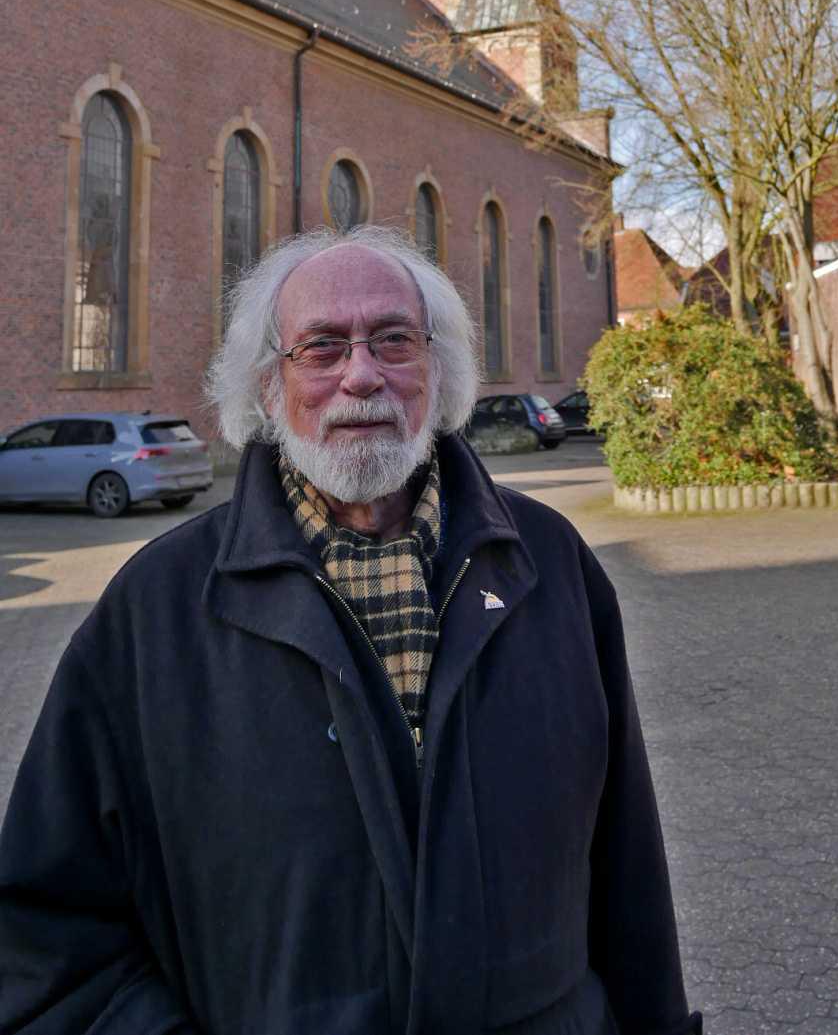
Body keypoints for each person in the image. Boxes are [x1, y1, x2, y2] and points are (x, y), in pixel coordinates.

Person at [0, 226, 700, 1035]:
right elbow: (46, 943)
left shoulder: (551, 567)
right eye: (322, 347)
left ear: (436, 373)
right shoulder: (151, 613)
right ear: (268, 386)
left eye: (393, 339)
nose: (361, 374)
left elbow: (629, 875)